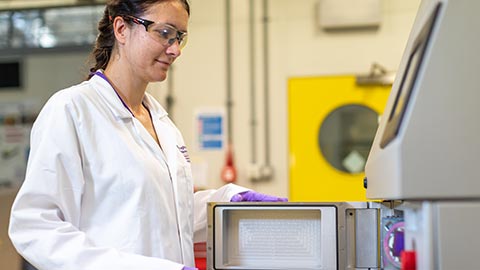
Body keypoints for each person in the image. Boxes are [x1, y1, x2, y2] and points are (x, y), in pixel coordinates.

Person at [8, 1, 287, 270]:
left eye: (180, 37)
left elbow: (164, 212)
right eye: (164, 33)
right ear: (121, 29)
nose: (175, 49)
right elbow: (36, 227)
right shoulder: (73, 111)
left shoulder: (162, 122)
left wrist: (227, 204)